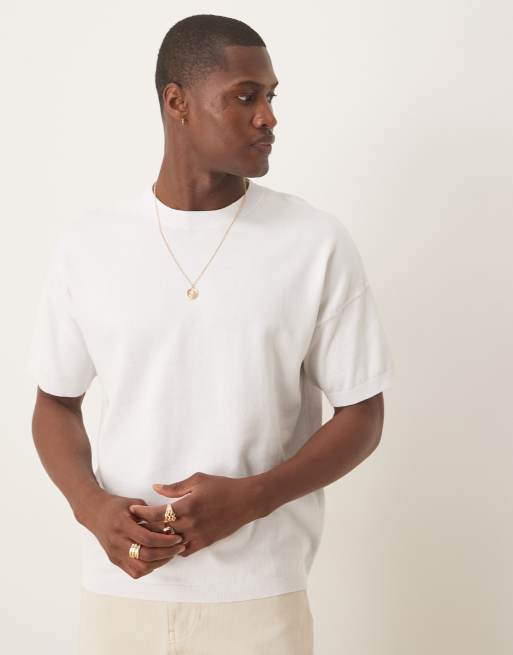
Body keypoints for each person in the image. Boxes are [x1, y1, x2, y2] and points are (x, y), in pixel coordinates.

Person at [28, 13, 394, 655]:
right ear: (178, 103)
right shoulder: (90, 246)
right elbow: (55, 402)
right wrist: (91, 507)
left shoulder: (314, 243)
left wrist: (251, 499)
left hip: (260, 597)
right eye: (245, 97)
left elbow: (363, 413)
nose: (268, 117)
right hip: (121, 597)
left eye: (271, 96)